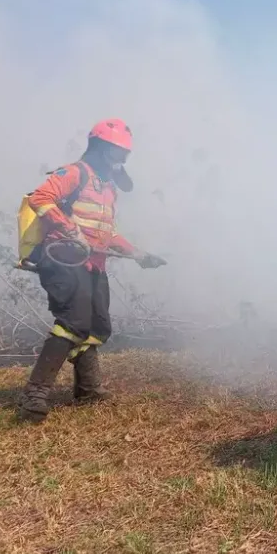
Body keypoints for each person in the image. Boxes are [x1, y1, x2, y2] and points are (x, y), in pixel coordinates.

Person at [16, 118, 166, 423]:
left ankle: (88, 389)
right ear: (100, 149)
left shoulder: (108, 189)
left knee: (98, 326)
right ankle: (35, 394)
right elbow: (40, 198)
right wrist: (71, 230)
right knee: (73, 322)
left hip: (93, 263)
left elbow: (106, 232)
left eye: (126, 155)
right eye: (118, 153)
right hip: (63, 258)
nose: (122, 160)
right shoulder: (75, 173)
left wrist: (139, 254)